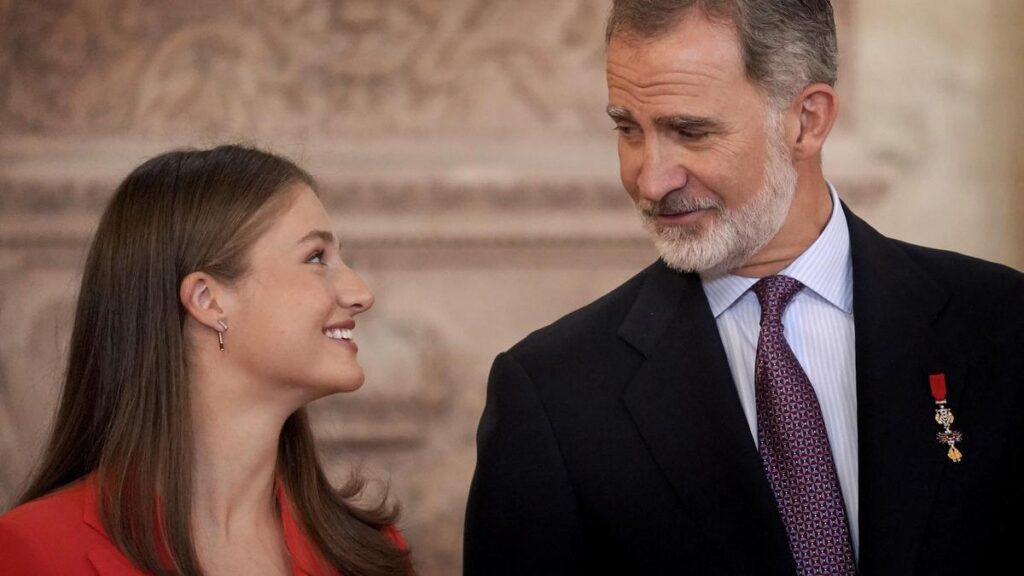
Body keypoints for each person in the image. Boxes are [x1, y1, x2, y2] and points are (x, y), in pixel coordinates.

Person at [464, 1, 1024, 575]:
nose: (650, 179)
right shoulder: (552, 393)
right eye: (629, 129)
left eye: (690, 131)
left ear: (808, 119)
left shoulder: (1002, 325)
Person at [0, 145, 411, 575]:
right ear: (207, 300)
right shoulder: (34, 552)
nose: (361, 293)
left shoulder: (369, 553)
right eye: (315, 258)